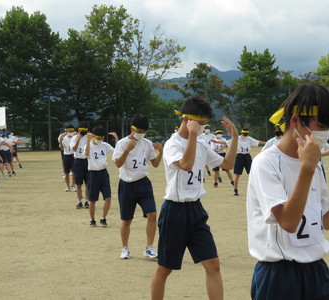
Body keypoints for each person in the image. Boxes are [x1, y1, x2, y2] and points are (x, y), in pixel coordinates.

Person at [246, 84, 329, 299]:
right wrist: (307, 168)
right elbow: (288, 222)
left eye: (328, 127)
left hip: (316, 270)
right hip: (279, 274)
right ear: (295, 121)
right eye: (320, 125)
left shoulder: (315, 163)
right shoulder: (267, 163)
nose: (325, 133)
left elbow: (325, 221)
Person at [150, 95, 238, 300]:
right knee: (165, 268)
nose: (202, 129)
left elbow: (227, 165)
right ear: (186, 120)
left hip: (196, 210)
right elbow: (186, 165)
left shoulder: (201, 144)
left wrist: (233, 138)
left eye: (205, 125)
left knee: (213, 264)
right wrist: (191, 136)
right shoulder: (173, 144)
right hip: (175, 211)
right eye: (200, 124)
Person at [112, 114, 163, 260]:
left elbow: (155, 164)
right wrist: (127, 150)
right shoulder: (122, 143)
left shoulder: (147, 144)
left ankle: (149, 248)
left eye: (143, 131)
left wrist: (161, 151)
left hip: (143, 183)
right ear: (132, 129)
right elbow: (118, 164)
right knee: (126, 219)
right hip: (127, 185)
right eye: (138, 130)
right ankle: (125, 248)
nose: (141, 133)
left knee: (152, 215)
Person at [84, 126, 117, 227]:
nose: (100, 140)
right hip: (93, 174)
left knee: (108, 197)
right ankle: (92, 220)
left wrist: (116, 139)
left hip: (104, 173)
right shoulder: (89, 145)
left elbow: (116, 152)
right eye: (98, 138)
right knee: (93, 200)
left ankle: (103, 218)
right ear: (93, 136)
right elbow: (86, 154)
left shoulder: (105, 145)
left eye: (102, 138)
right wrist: (88, 140)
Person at [229, 128, 265, 196]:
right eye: (243, 133)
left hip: (247, 156)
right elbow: (227, 142)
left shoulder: (249, 139)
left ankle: (255, 189)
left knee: (252, 173)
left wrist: (267, 143)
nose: (244, 135)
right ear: (241, 133)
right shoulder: (237, 138)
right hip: (239, 156)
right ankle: (235, 190)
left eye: (246, 134)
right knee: (237, 174)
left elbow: (258, 142)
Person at [71, 123, 90, 209]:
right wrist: (78, 140)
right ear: (78, 130)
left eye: (84, 131)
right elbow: (74, 149)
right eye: (81, 130)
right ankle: (79, 201)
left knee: (87, 183)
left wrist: (89, 138)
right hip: (78, 161)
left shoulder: (88, 138)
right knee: (78, 183)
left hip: (87, 161)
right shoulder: (74, 138)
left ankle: (87, 201)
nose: (83, 132)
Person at [59, 125, 76, 192]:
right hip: (66, 155)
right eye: (70, 131)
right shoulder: (64, 138)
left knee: (74, 172)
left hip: (74, 155)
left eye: (72, 131)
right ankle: (67, 186)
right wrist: (60, 140)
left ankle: (73, 185)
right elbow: (62, 148)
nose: (71, 132)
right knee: (66, 172)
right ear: (66, 131)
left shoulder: (75, 137)